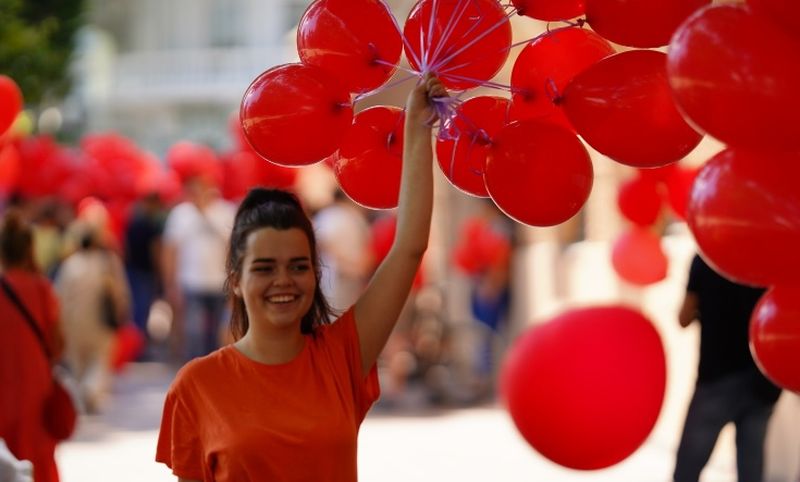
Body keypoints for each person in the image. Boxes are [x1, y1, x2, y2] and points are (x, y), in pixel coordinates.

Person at [156, 74, 446, 481]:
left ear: (315, 272)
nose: (283, 281)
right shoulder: (196, 386)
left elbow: (410, 246)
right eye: (264, 268)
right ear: (236, 279)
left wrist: (417, 127)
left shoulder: (342, 356)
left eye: (298, 266)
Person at [673, 254, 782, 482]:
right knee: (751, 471)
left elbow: (683, 318)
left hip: (717, 378)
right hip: (762, 379)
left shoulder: (704, 258)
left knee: (686, 470)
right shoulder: (767, 257)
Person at [0, 209, 63, 482]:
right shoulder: (41, 287)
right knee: (38, 458)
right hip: (36, 386)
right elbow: (58, 343)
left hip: (3, 386)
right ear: (29, 250)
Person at [55, 222, 131, 414]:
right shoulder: (108, 262)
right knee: (99, 360)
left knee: (78, 363)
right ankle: (91, 390)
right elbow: (121, 292)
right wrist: (123, 313)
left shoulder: (70, 265)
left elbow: (59, 295)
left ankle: (85, 391)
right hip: (101, 320)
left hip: (73, 322)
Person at [161, 171, 236, 363]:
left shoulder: (226, 211)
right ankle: (195, 371)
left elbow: (233, 248)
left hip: (220, 283)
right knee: (194, 333)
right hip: (191, 283)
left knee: (218, 333)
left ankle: (214, 370)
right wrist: (170, 284)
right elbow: (170, 251)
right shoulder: (180, 215)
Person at [312, 188, 373, 312]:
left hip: (336, 276)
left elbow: (319, 243)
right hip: (342, 275)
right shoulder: (349, 216)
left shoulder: (330, 215)